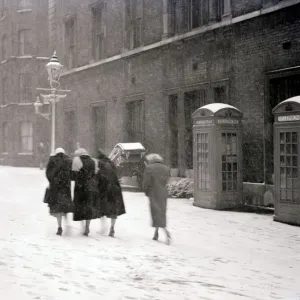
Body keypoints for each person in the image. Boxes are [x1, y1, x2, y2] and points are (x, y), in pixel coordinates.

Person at [143, 153, 171, 245]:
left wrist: (146, 191)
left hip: (154, 193)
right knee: (161, 212)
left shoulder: (149, 168)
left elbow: (146, 183)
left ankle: (166, 232)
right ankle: (156, 233)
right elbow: (166, 180)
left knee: (156, 213)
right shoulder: (166, 168)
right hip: (163, 193)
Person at [97, 149, 126, 237]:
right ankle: (112, 228)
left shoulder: (100, 164)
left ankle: (103, 227)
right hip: (115, 188)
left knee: (102, 208)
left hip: (105, 188)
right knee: (113, 210)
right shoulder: (111, 164)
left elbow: (99, 178)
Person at [72, 148, 100, 236]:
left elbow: (73, 176)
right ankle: (87, 226)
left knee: (80, 207)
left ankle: (83, 226)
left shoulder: (77, 160)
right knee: (88, 208)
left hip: (80, 188)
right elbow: (96, 175)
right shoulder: (94, 161)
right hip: (91, 188)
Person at [45, 147, 73, 236]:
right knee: (65, 205)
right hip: (66, 187)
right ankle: (67, 222)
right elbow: (72, 174)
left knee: (57, 208)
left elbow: (47, 173)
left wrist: (52, 181)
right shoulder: (68, 161)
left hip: (55, 188)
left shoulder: (52, 160)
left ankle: (59, 226)